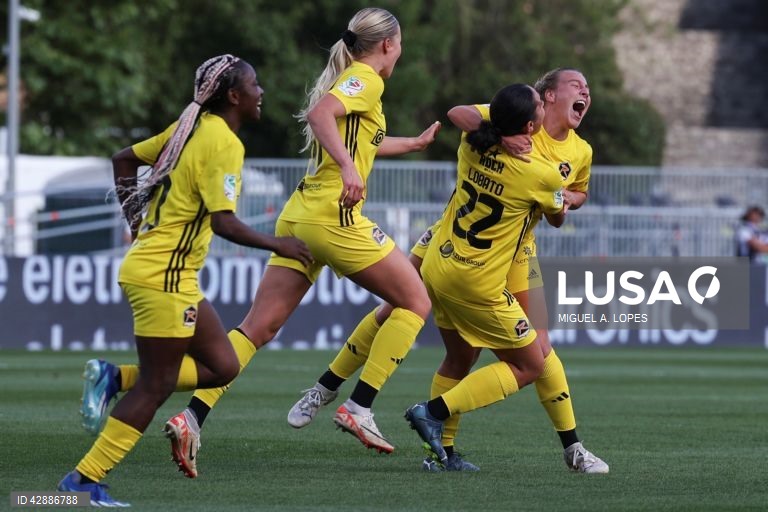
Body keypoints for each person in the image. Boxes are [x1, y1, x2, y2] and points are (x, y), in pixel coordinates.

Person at [80, 8, 440, 478]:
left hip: (300, 214)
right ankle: (359, 405)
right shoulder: (367, 79)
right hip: (334, 216)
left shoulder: (356, 81)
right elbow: (321, 115)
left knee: (257, 328)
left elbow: (358, 140)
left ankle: (192, 415)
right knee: (415, 299)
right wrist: (350, 171)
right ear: (389, 44)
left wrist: (408, 144)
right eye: (401, 43)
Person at [289, 68, 608, 474]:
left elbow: (575, 195)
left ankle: (570, 448)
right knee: (398, 310)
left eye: (587, 86)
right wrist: (539, 176)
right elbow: (459, 113)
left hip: (516, 250)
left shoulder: (579, 151)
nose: (585, 90)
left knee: (530, 350)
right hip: (454, 238)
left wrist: (569, 198)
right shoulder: (514, 119)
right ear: (545, 100)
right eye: (576, 85)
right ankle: (331, 390)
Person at [59, 54, 312, 506]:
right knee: (157, 386)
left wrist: (135, 222)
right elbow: (225, 223)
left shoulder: (188, 126)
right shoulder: (223, 142)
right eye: (255, 85)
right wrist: (282, 245)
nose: (261, 92)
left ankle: (114, 377)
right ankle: (80, 483)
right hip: (165, 278)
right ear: (234, 96)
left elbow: (123, 160)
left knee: (223, 366)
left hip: (168, 274)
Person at [398, 82, 563, 465]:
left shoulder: (472, 143)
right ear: (529, 126)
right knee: (530, 364)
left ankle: (442, 455)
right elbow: (556, 218)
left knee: (459, 359)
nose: (543, 105)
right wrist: (559, 197)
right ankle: (433, 412)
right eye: (539, 104)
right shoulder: (542, 173)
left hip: (438, 267)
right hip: (477, 284)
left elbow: (460, 112)